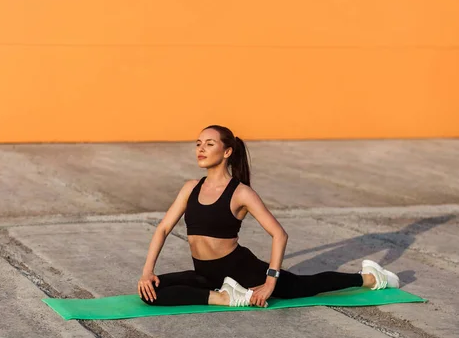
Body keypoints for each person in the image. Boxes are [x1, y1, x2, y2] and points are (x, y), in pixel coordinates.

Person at [137, 125, 400, 308]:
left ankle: (370, 278)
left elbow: (279, 234)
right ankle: (225, 296)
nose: (201, 149)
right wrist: (148, 271)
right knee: (150, 291)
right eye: (198, 144)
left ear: (227, 151)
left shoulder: (240, 193)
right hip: (206, 274)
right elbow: (162, 229)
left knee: (302, 286)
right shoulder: (190, 187)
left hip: (244, 272)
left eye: (209, 144)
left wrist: (270, 282)